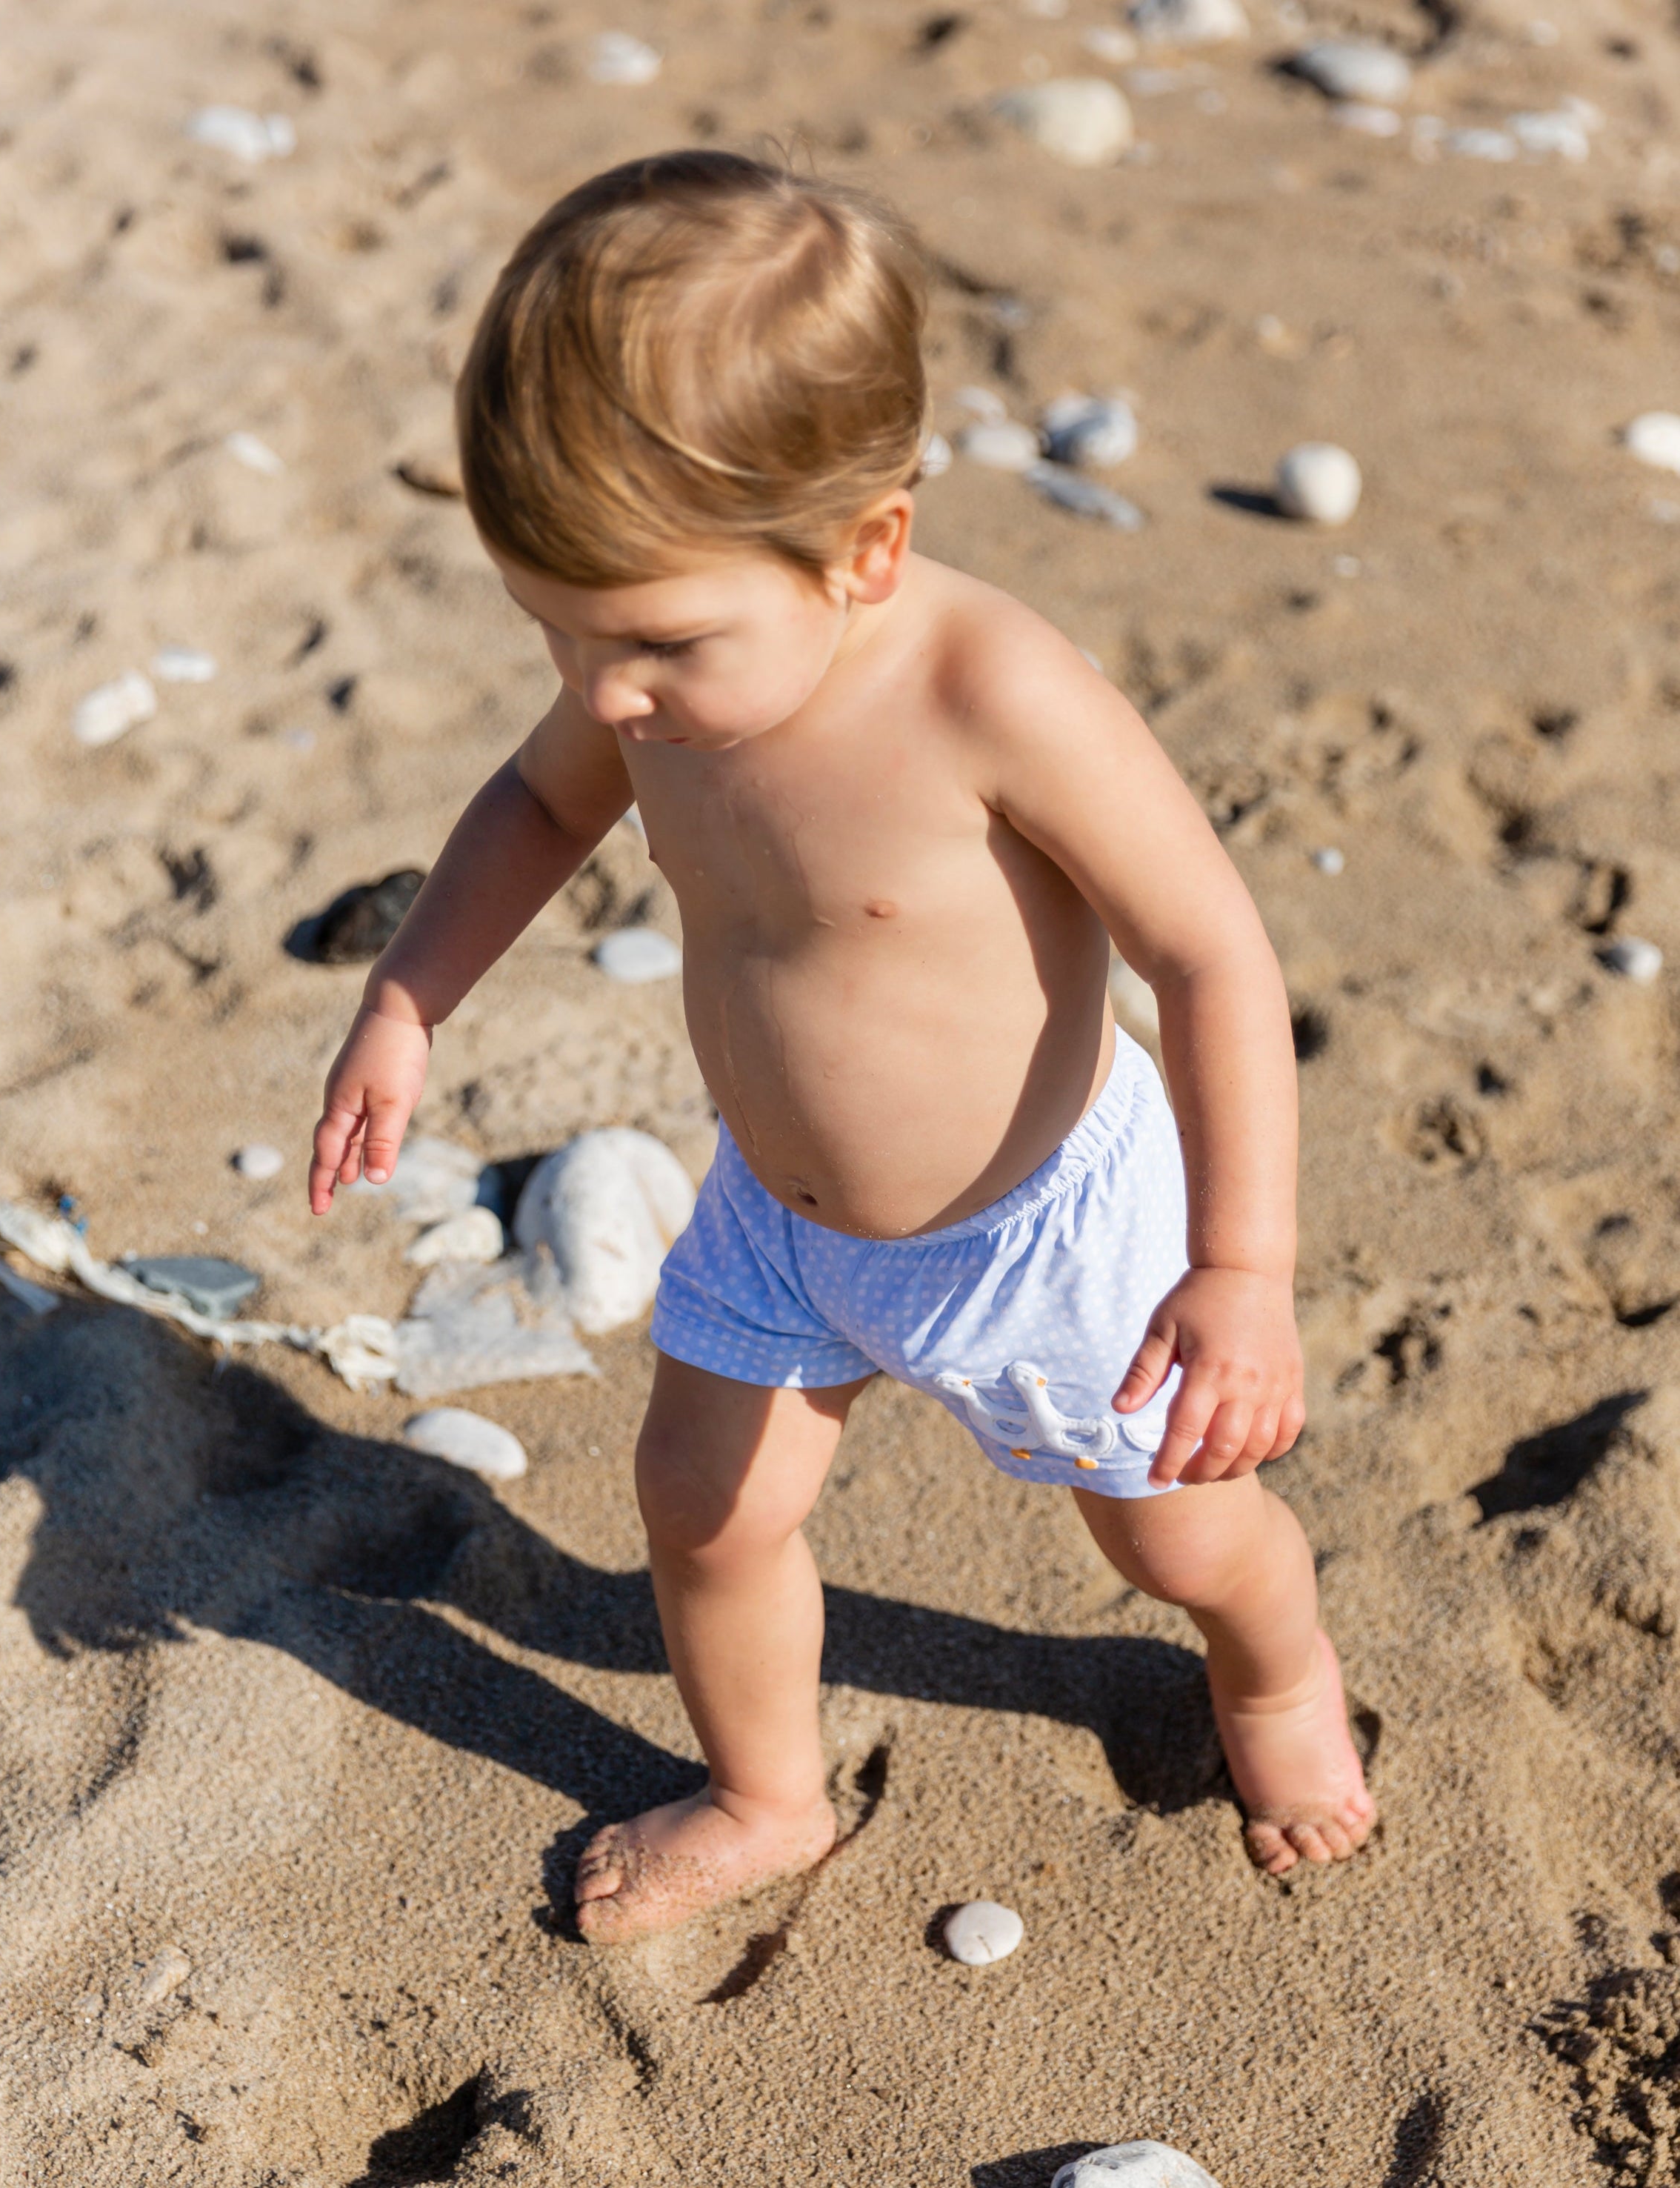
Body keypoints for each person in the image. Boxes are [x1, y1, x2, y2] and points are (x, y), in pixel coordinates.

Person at [307, 150, 1376, 1943]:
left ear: (865, 546)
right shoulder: (645, 668)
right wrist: (405, 997)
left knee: (1176, 1538)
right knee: (702, 1509)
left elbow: (1206, 953)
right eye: (550, 629)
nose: (601, 693)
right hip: (778, 1224)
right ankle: (765, 1790)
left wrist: (1240, 1268)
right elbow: (530, 806)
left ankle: (1273, 1680)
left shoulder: (985, 690)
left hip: (1039, 1233)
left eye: (651, 640)